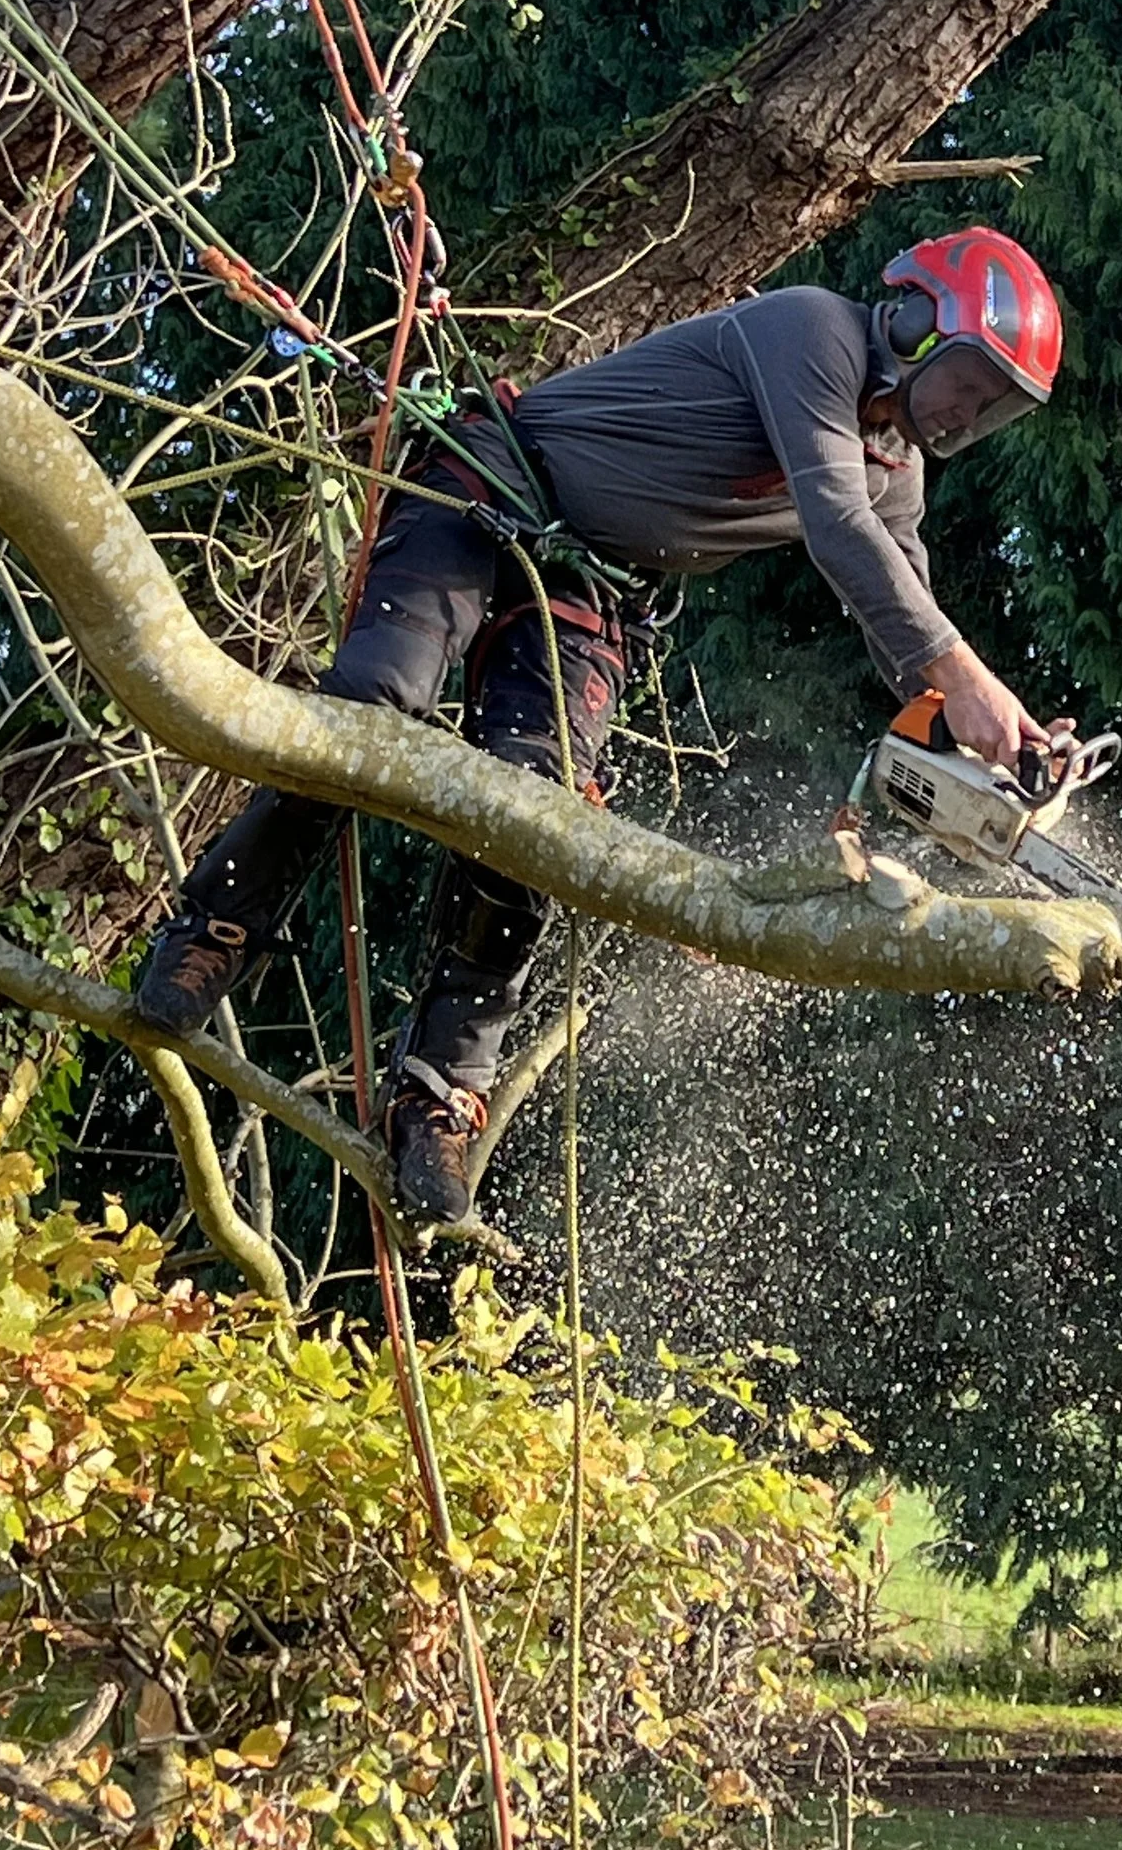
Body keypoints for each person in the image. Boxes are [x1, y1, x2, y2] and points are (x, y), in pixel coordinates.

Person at [130, 227, 1067, 1223]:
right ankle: (217, 923)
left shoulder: (899, 474)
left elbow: (902, 603)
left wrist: (983, 726)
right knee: (374, 704)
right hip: (494, 481)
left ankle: (441, 1092)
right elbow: (835, 524)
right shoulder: (814, 332)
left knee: (538, 818)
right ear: (917, 322)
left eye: (993, 405)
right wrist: (958, 678)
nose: (969, 412)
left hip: (594, 587)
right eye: (971, 379)